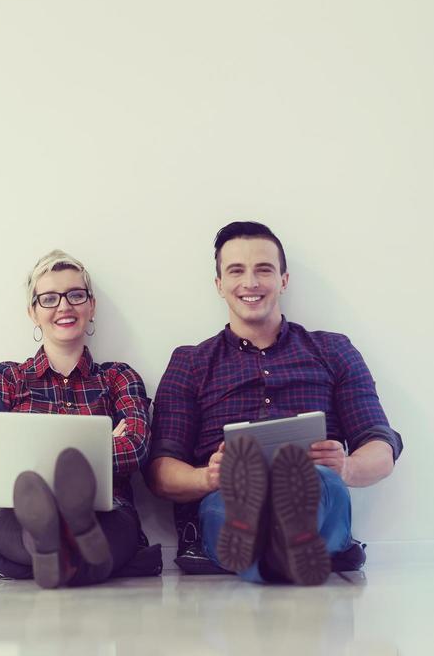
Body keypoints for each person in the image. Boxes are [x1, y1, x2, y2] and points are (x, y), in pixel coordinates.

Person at [146, 221, 402, 585]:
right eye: (236, 271)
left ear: (283, 280)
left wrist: (347, 467)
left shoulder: (333, 350)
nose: (250, 282)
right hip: (229, 497)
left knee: (321, 484)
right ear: (219, 285)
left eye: (263, 270)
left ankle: (275, 553)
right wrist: (207, 476)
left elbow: (382, 446)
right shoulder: (190, 362)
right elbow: (159, 472)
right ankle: (290, 551)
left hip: (315, 488)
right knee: (233, 506)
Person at [0, 249, 161, 587]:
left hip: (106, 511)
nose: (64, 307)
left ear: (91, 305)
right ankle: (69, 555)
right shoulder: (4, 378)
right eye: (50, 298)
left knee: (116, 527)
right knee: (11, 524)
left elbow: (136, 448)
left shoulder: (119, 377)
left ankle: (52, 554)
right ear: (33, 312)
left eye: (75, 295)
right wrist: (99, 448)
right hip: (19, 512)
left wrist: (36, 463)